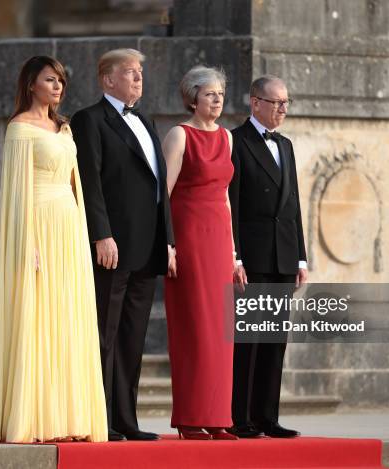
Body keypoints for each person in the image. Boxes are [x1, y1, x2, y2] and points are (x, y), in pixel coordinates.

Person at [0, 56, 107, 444]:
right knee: (39, 318)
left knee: (68, 319)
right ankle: (33, 417)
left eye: (61, 81)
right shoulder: (19, 129)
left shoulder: (64, 129)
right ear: (31, 83)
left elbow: (75, 186)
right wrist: (26, 242)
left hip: (68, 228)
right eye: (50, 80)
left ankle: (69, 416)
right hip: (38, 227)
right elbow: (16, 195)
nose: (57, 87)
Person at [70, 48, 175, 442]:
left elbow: (158, 189)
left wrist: (168, 241)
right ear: (107, 79)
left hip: (148, 248)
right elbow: (89, 180)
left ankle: (127, 420)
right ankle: (102, 420)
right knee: (105, 334)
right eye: (130, 72)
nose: (138, 79)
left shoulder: (146, 120)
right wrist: (101, 233)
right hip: (111, 246)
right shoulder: (89, 120)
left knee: (133, 337)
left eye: (141, 73)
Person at [228, 75, 307, 439]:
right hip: (253, 257)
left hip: (284, 256)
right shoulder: (237, 141)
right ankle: (240, 419)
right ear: (255, 102)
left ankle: (267, 417)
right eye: (277, 102)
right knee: (248, 342)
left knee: (275, 341)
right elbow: (233, 205)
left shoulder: (286, 145)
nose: (283, 109)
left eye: (286, 102)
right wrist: (236, 257)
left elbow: (293, 206)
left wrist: (301, 259)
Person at [162, 65, 238, 441]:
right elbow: (164, 193)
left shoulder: (227, 138)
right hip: (189, 239)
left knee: (221, 332)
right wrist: (168, 244)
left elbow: (225, 196)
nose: (217, 100)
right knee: (195, 328)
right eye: (209, 94)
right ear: (193, 97)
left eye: (220, 94)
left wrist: (236, 255)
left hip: (219, 241)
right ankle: (191, 418)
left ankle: (218, 416)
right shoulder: (180, 135)